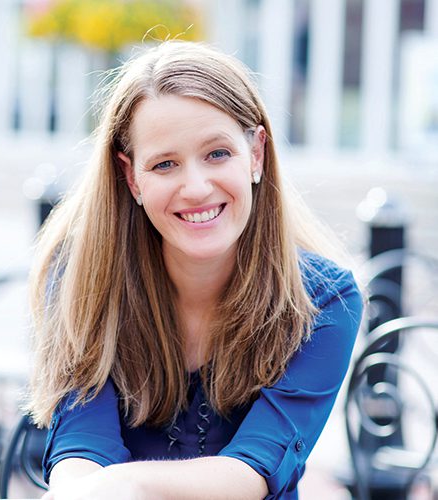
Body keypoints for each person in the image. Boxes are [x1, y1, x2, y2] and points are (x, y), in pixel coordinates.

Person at [26, 40, 363, 499]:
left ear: (256, 154)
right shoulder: (78, 281)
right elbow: (80, 452)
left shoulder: (325, 299)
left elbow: (253, 472)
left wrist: (122, 485)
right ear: (132, 178)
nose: (196, 187)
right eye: (165, 164)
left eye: (217, 154)